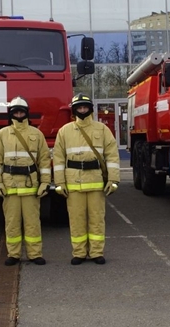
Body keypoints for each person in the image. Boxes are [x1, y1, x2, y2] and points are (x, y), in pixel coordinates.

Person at [53, 93, 120, 265]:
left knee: (97, 219)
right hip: (73, 183)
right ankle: (79, 253)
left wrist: (113, 180)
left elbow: (112, 155)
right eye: (79, 108)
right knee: (76, 220)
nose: (82, 110)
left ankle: (97, 252)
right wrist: (59, 183)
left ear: (90, 109)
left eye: (85, 107)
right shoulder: (64, 131)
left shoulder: (102, 129)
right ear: (74, 110)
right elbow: (58, 159)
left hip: (96, 183)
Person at [0, 96, 51, 266]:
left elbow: (44, 161)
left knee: (33, 223)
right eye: (15, 112)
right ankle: (13, 254)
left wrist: (45, 183)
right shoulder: (2, 134)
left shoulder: (36, 134)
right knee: (12, 223)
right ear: (11, 114)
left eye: (21, 111)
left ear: (26, 113)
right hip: (9, 187)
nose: (18, 114)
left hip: (30, 187)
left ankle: (35, 253)